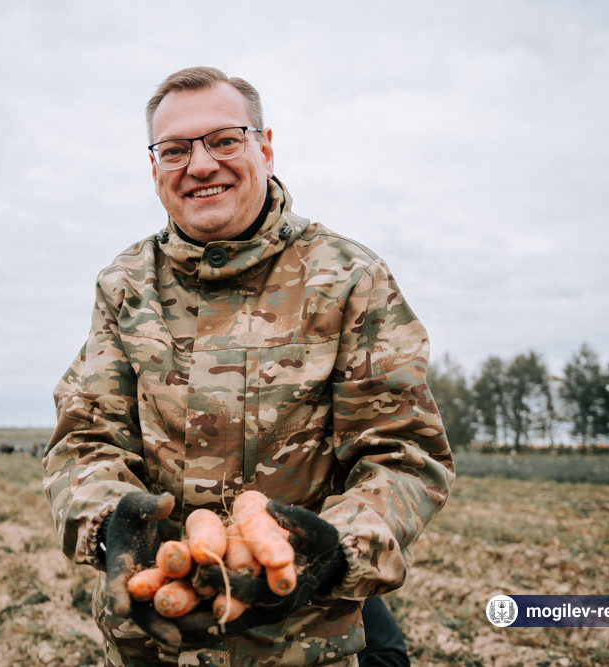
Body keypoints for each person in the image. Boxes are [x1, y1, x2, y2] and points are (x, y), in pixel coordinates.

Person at [43, 66, 454, 666]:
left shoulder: (348, 277)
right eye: (175, 149)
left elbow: (403, 456)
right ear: (154, 167)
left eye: (224, 140)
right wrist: (112, 524)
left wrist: (333, 550)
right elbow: (86, 438)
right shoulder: (125, 284)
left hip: (299, 642)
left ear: (264, 146)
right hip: (153, 636)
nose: (201, 164)